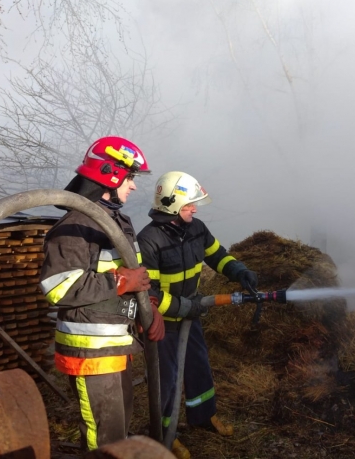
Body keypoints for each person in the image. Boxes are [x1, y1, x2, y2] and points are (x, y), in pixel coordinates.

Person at [39, 136, 165, 451]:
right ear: (110, 173)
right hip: (91, 351)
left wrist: (146, 307)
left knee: (119, 429)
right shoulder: (76, 226)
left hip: (116, 345)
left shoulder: (118, 222)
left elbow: (133, 274)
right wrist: (119, 283)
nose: (133, 186)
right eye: (130, 177)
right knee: (104, 438)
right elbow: (58, 287)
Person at [137, 171, 258, 459]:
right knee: (165, 380)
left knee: (198, 366)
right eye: (190, 204)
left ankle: (203, 417)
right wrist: (183, 307)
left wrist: (238, 270)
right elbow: (150, 294)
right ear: (172, 204)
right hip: (162, 323)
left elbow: (216, 255)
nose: (195, 209)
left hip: (190, 316)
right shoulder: (148, 240)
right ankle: (164, 435)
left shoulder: (196, 228)